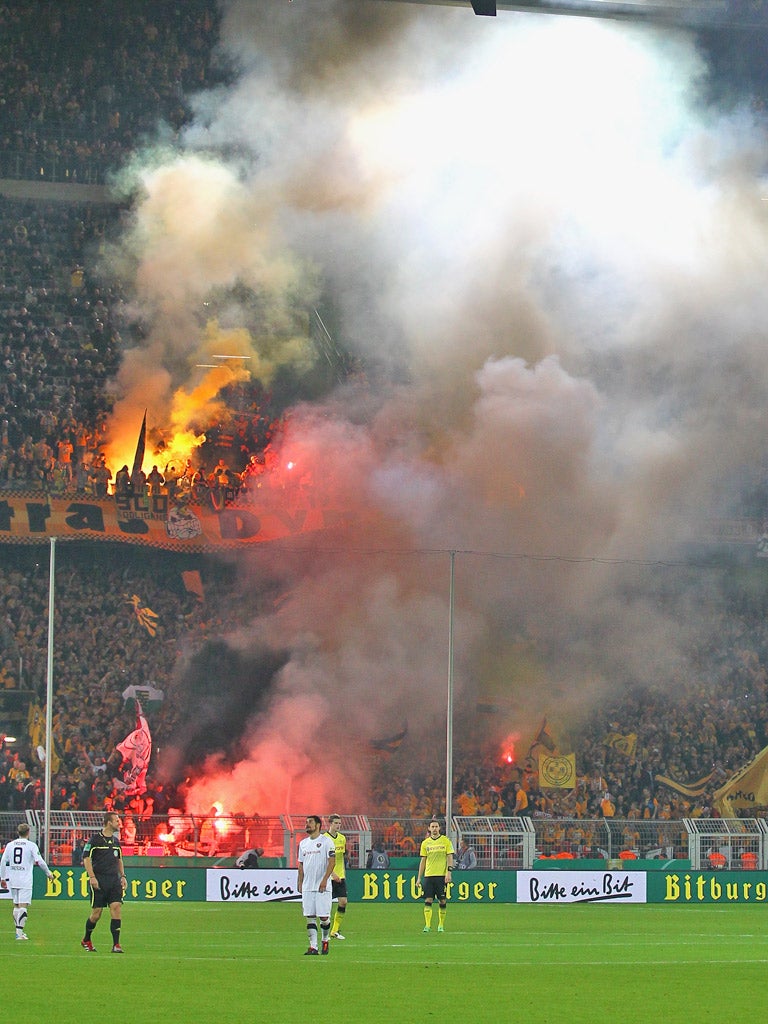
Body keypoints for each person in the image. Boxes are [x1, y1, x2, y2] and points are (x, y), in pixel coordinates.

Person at [81, 811, 127, 953]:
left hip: (113, 880)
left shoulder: (115, 841)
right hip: (99, 880)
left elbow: (119, 859)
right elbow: (86, 858)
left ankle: (116, 945)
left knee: (116, 907)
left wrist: (123, 876)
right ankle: (86, 939)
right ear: (109, 822)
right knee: (96, 913)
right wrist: (92, 877)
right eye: (116, 821)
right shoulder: (95, 840)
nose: (119, 823)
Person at [0, 822, 54, 940]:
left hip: (13, 878)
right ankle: (19, 934)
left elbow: (3, 861)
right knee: (23, 906)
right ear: (28, 833)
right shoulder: (31, 845)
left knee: (16, 905)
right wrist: (48, 872)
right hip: (25, 879)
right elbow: (39, 861)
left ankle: (18, 931)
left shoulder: (10, 845)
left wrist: (2, 877)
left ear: (18, 832)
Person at [296, 814, 335, 956]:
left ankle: (325, 940)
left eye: (310, 822)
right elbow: (301, 864)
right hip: (308, 887)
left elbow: (332, 862)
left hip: (322, 887)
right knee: (310, 916)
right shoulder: (303, 844)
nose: (307, 825)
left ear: (318, 825)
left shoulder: (326, 842)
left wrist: (325, 879)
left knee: (324, 917)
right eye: (306, 822)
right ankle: (313, 947)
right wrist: (300, 882)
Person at [416, 819, 454, 934]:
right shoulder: (425, 843)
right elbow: (423, 860)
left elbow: (450, 857)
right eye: (432, 827)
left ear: (439, 828)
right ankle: (427, 925)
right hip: (429, 875)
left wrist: (449, 872)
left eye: (436, 826)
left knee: (442, 900)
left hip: (441, 876)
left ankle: (440, 925)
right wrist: (419, 877)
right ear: (429, 828)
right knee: (428, 900)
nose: (434, 829)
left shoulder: (445, 841)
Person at [324, 813, 348, 940]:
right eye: (336, 823)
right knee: (326, 906)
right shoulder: (324, 839)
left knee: (343, 902)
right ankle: (325, 932)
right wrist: (332, 873)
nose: (338, 825)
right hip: (328, 877)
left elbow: (340, 858)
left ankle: (334, 930)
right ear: (330, 824)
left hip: (340, 876)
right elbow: (323, 859)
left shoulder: (342, 838)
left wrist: (341, 873)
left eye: (339, 823)